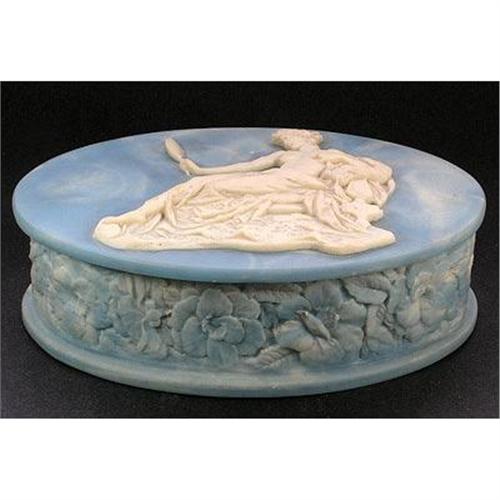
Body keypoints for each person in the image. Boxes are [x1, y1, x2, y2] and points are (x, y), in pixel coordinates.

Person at [94, 129, 396, 255]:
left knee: (196, 189)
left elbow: (379, 172)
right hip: (271, 181)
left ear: (307, 138)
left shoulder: (329, 156)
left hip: (287, 186)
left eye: (289, 139)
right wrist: (201, 170)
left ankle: (133, 220)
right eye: (285, 141)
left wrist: (350, 174)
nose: (287, 144)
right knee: (196, 186)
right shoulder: (283, 157)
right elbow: (246, 167)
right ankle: (134, 218)